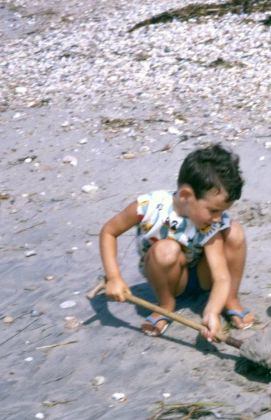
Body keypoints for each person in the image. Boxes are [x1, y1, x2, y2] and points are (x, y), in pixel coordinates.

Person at [98, 144, 255, 340]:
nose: (218, 218)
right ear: (186, 196)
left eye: (222, 211)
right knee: (166, 249)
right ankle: (166, 305)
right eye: (214, 210)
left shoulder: (210, 223)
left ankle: (229, 299)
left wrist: (211, 313)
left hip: (203, 275)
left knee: (234, 231)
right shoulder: (149, 206)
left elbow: (221, 277)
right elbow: (109, 232)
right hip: (169, 278)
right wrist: (113, 277)